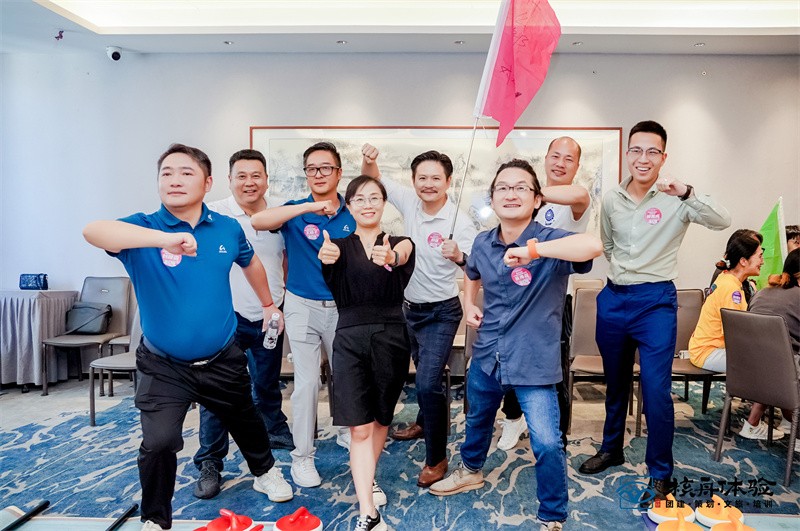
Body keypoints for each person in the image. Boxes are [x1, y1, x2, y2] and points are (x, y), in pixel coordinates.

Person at [83, 144, 293, 531]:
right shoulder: (142, 228)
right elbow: (93, 231)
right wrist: (160, 240)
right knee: (159, 443)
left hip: (222, 356)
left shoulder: (226, 227)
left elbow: (250, 262)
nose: (174, 180)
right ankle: (155, 518)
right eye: (167, 173)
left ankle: (265, 472)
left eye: (186, 172)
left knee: (247, 420)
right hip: (164, 364)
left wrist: (268, 305)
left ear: (208, 182)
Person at [428, 159, 602, 531]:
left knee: (547, 442)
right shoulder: (483, 241)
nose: (511, 194)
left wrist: (535, 252)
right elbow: (472, 271)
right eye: (503, 188)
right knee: (477, 419)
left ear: (538, 199)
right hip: (488, 352)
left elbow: (593, 245)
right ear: (492, 198)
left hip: (533, 358)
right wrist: (468, 303)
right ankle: (471, 470)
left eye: (521, 187)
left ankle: (552, 513)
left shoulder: (551, 240)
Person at [578, 121, 731, 505]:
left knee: (656, 389)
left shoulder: (676, 199)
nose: (642, 158)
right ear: (627, 153)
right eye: (636, 150)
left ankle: (661, 473)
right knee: (615, 383)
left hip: (656, 303)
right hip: (614, 299)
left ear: (663, 157)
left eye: (652, 151)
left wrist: (687, 192)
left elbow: (722, 220)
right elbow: (607, 244)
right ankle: (611, 449)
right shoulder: (612, 198)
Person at [250, 142, 379, 489]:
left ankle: (347, 431)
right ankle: (303, 457)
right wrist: (309, 206)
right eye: (311, 169)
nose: (319, 174)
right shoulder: (295, 210)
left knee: (349, 378)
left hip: (344, 307)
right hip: (302, 305)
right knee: (307, 383)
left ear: (339, 172)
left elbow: (374, 192)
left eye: (326, 168)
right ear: (306, 174)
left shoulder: (353, 210)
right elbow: (258, 220)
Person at [192, 149, 294, 500]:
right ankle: (210, 460)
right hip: (225, 317)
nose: (249, 182)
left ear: (266, 179)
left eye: (256, 175)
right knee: (217, 391)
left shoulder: (280, 213)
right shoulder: (213, 214)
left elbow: (287, 258)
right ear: (229, 179)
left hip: (270, 314)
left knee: (266, 381)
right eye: (241, 176)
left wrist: (281, 302)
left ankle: (273, 429)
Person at [318, 175, 415, 531]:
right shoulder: (336, 246)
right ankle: (368, 513)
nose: (368, 204)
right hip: (349, 339)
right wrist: (326, 257)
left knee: (381, 420)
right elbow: (328, 260)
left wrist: (390, 256)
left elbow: (401, 255)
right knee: (359, 427)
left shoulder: (400, 242)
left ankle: (368, 478)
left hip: (391, 337)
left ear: (384, 203)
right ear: (349, 206)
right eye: (359, 198)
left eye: (375, 197)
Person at [380, 150, 477, 487]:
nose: (429, 184)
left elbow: (476, 268)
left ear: (448, 181)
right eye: (422, 177)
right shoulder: (410, 202)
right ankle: (423, 421)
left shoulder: (460, 222)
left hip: (442, 312)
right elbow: (375, 178)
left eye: (436, 178)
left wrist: (460, 256)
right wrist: (370, 159)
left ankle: (437, 458)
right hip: (409, 309)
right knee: (425, 372)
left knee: (426, 382)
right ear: (413, 181)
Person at [498, 136, 591, 451]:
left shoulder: (573, 202)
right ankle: (513, 418)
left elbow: (580, 195)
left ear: (577, 166)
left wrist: (528, 191)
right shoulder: (524, 199)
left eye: (568, 158)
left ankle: (558, 437)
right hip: (517, 296)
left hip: (554, 301)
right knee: (511, 359)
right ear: (546, 157)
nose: (560, 163)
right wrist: (524, 193)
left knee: (555, 371)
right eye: (555, 156)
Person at [688, 230, 782, 440]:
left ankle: (784, 420)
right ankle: (753, 425)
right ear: (743, 261)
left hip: (705, 348)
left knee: (772, 360)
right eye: (759, 256)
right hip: (709, 352)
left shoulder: (727, 280)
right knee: (774, 366)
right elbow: (737, 337)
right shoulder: (732, 290)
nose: (762, 261)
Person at [748, 248, 800, 439]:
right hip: (782, 376)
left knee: (774, 355)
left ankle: (785, 421)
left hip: (747, 373)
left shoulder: (761, 293)